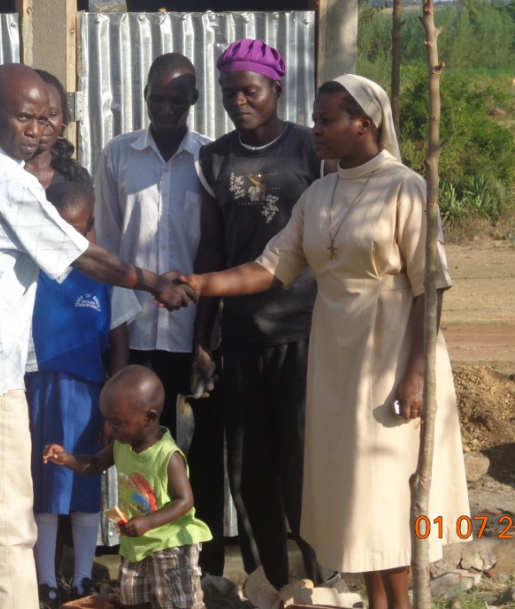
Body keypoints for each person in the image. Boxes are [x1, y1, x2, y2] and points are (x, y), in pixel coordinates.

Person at [0, 63, 196, 608]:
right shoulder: (1, 179)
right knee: (3, 530)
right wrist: (152, 281)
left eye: (47, 119)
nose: (39, 131)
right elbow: (80, 252)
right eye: (25, 117)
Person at [181, 75, 471, 609]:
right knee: (358, 498)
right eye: (314, 119)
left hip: (391, 356)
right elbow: (270, 267)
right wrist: (202, 284)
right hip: (335, 361)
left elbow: (431, 289)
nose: (314, 129)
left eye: (327, 120)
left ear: (365, 123)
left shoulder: (405, 186)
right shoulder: (318, 193)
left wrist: (415, 373)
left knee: (389, 491)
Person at [192, 38, 330, 589]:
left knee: (303, 464)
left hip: (306, 331)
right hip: (242, 336)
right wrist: (204, 335)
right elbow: (212, 250)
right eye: (229, 93)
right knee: (247, 469)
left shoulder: (310, 150)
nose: (238, 102)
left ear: (276, 87)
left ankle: (324, 578)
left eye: (249, 91)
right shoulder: (215, 158)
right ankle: (268, 584)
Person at [94, 53, 226, 574]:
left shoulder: (210, 159)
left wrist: (207, 337)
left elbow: (215, 251)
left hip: (193, 339)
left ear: (194, 99)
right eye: (157, 96)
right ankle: (151, 566)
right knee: (141, 461)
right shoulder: (119, 155)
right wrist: (116, 342)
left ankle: (205, 571)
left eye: (177, 97)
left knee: (198, 460)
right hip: (138, 338)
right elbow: (106, 248)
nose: (165, 107)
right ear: (145, 95)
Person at [26, 182, 140, 607]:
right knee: (46, 485)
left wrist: (115, 399)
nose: (69, 238)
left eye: (78, 229)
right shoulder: (33, 267)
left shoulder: (106, 272)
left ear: (91, 227)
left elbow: (121, 338)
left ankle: (82, 580)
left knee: (85, 484)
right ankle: (46, 583)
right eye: (60, 228)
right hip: (39, 390)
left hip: (91, 394)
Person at [44, 366, 212, 609]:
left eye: (118, 423)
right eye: (109, 422)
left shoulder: (168, 456)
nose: (112, 429)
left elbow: (185, 502)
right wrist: (67, 459)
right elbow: (95, 464)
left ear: (149, 417)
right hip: (135, 545)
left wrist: (148, 522)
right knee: (131, 600)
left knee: (178, 603)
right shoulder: (121, 445)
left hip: (171, 546)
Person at [24, 70, 92, 189]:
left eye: (52, 114)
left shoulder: (76, 177)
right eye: (30, 114)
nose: (42, 122)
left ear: (63, 118)